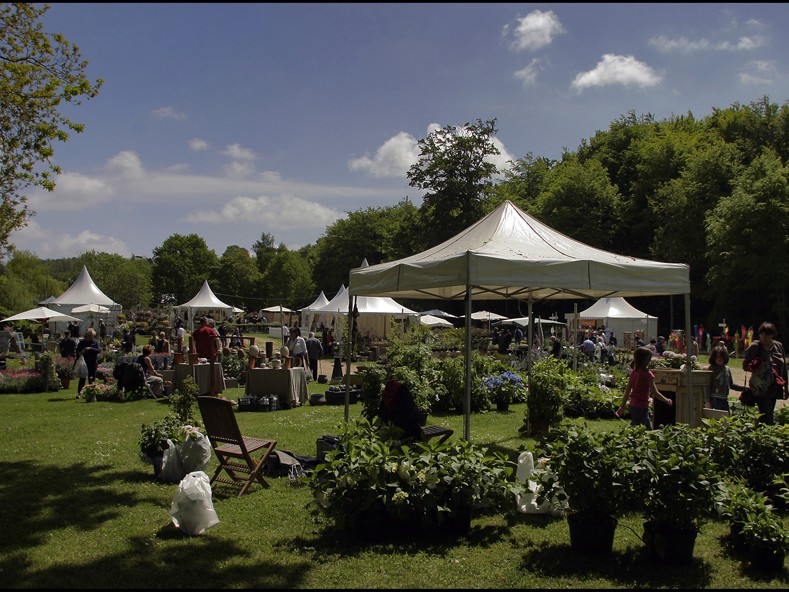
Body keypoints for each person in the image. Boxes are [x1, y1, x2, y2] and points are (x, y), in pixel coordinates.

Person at [742, 321, 788, 425]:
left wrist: (786, 387)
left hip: (775, 387)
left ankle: (761, 437)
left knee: (767, 415)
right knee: (768, 420)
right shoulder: (755, 346)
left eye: (767, 334)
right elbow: (745, 365)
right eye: (761, 334)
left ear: (772, 335)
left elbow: (784, 367)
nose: (764, 337)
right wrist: (756, 367)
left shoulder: (778, 346)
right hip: (761, 388)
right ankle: (766, 438)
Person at [616, 346, 673, 429]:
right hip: (641, 405)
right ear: (647, 360)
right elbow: (655, 392)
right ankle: (627, 439)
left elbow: (627, 391)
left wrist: (622, 406)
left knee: (644, 426)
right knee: (638, 427)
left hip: (633, 405)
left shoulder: (634, 372)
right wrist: (666, 400)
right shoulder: (648, 374)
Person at [706, 346, 745, 412]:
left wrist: (744, 388)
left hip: (724, 399)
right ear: (714, 358)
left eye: (722, 357)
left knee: (726, 419)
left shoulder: (727, 369)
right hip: (715, 399)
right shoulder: (712, 368)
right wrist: (708, 401)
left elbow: (731, 385)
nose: (720, 359)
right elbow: (707, 386)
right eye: (718, 357)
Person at [74, 327, 101, 399]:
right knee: (82, 378)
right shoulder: (82, 342)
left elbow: (98, 350)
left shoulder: (95, 342)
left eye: (91, 336)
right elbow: (77, 351)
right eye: (89, 336)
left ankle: (91, 393)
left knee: (91, 378)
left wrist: (90, 348)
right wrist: (81, 351)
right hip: (84, 362)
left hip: (93, 362)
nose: (90, 337)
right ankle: (80, 393)